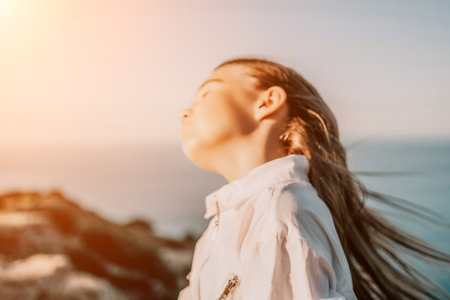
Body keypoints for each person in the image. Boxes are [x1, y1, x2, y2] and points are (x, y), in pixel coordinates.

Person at [177, 57, 450, 300]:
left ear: (267, 102)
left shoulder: (279, 210)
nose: (184, 112)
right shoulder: (226, 223)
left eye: (207, 93)